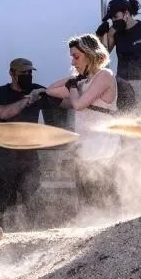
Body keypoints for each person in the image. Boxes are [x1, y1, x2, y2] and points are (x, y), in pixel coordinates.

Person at [43, 34, 122, 208]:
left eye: (76, 57)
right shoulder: (83, 82)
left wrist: (72, 86)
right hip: (86, 152)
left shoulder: (104, 75)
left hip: (103, 152)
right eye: (72, 57)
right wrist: (75, 81)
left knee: (103, 201)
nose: (72, 62)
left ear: (90, 55)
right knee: (86, 203)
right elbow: (50, 90)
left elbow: (78, 104)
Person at [0, 58, 51, 227]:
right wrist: (28, 99)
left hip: (28, 155)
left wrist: (72, 87)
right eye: (23, 73)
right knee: (6, 204)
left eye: (30, 73)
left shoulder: (36, 90)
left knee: (33, 200)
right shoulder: (0, 92)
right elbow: (4, 113)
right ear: (12, 74)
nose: (28, 76)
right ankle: (6, 238)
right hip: (1, 156)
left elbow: (64, 101)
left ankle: (33, 237)